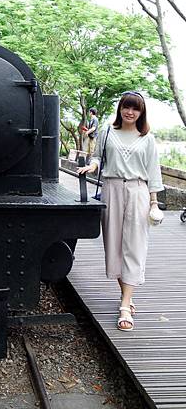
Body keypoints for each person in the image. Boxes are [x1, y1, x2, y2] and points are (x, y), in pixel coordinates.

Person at [78, 92, 164, 332]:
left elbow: (153, 172)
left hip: (138, 191)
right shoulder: (108, 132)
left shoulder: (147, 138)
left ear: (141, 112)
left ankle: (125, 304)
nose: (130, 112)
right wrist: (92, 166)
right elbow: (98, 157)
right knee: (114, 244)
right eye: (126, 107)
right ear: (120, 109)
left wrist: (154, 202)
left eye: (135, 109)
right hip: (111, 189)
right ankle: (126, 294)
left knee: (135, 246)